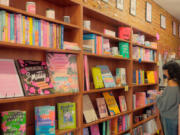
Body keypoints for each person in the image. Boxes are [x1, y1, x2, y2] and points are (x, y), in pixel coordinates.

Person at [155, 60, 180, 135]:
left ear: (170, 71)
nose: (164, 73)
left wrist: (157, 97)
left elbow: (164, 105)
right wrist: (164, 94)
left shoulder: (171, 83)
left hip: (169, 117)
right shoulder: (178, 82)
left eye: (165, 71)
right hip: (176, 116)